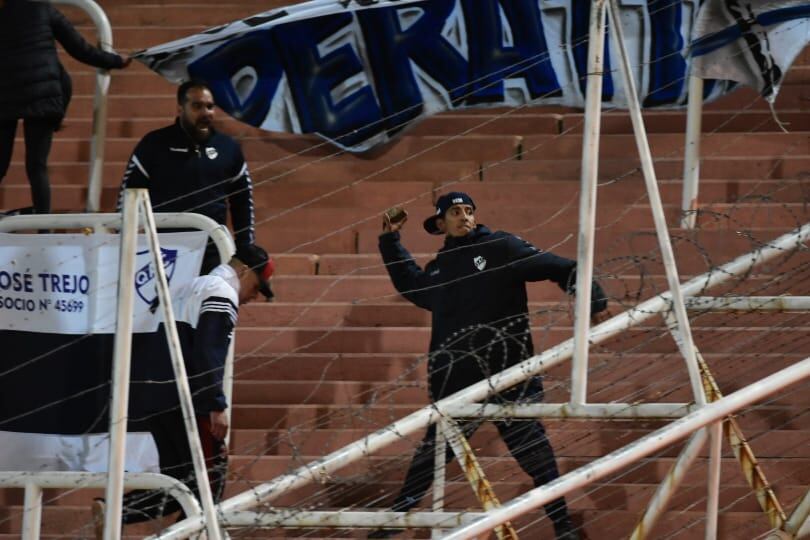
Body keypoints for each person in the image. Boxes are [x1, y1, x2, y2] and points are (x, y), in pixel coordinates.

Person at [372, 192, 609, 540]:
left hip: (510, 376)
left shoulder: (500, 247)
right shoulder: (440, 267)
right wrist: (390, 240)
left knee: (534, 455)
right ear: (440, 223)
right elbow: (412, 283)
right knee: (431, 460)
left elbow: (560, 266)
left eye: (469, 211)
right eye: (455, 212)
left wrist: (592, 297)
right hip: (456, 384)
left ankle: (562, 526)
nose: (464, 217)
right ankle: (390, 528)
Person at [92, 244, 274, 538]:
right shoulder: (221, 293)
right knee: (208, 478)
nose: (255, 296)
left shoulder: (189, 286)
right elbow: (207, 352)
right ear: (243, 271)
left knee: (178, 481)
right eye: (258, 286)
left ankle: (115, 512)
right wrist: (216, 403)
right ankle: (187, 532)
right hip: (186, 400)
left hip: (155, 395)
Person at [0, 0, 131, 214]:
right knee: (36, 166)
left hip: (5, 95)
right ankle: (44, 227)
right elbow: (81, 49)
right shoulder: (45, 10)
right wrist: (116, 61)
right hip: (43, 94)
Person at [118, 80, 256, 273]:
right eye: (197, 106)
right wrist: (121, 238)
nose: (206, 113)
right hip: (164, 251)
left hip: (212, 250)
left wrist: (245, 247)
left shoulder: (228, 148)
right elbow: (129, 194)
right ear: (180, 109)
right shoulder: (154, 144)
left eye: (210, 106)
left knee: (207, 303)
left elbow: (242, 200)